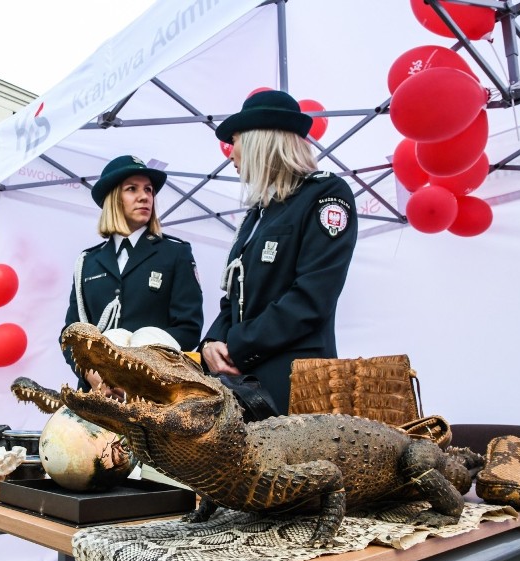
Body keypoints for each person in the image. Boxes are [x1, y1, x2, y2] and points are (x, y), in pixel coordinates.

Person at [200, 90, 358, 417]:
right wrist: (212, 342)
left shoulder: (325, 193)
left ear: (260, 140)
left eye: (237, 139)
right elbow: (234, 298)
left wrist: (238, 346)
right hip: (241, 383)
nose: (231, 153)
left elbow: (312, 297)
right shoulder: (256, 214)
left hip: (296, 387)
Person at [62, 155, 203, 394]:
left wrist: (137, 370)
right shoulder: (87, 262)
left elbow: (188, 328)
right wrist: (90, 375)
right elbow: (71, 335)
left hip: (154, 393)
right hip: (98, 393)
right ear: (113, 199)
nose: (144, 196)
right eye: (132, 189)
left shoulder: (176, 253)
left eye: (148, 190)